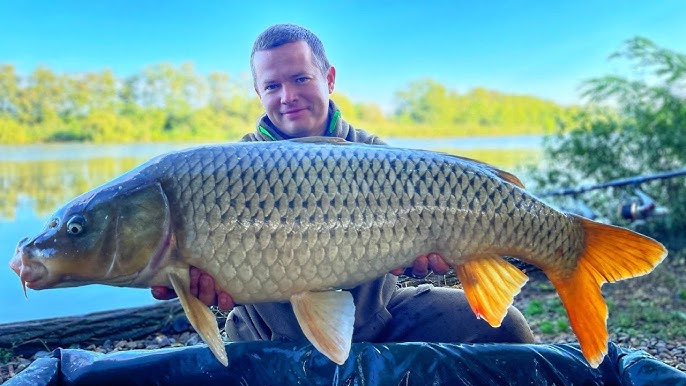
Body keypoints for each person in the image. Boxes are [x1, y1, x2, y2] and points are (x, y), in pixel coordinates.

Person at [152, 23, 533, 347]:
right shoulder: (224, 175)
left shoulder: (377, 157)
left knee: (506, 328)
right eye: (272, 86)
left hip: (379, 324)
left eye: (301, 78)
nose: (288, 97)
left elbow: (428, 255)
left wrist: (433, 260)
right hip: (264, 338)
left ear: (329, 78)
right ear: (259, 93)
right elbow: (211, 281)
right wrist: (199, 291)